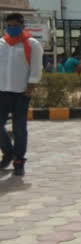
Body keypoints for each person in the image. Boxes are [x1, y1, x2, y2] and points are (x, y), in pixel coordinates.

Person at [0, 13, 43, 176]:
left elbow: (36, 67)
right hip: (2, 91)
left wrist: (31, 85)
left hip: (21, 92)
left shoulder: (31, 44)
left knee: (19, 128)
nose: (12, 28)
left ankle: (19, 159)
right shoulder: (2, 43)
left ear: (22, 26)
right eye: (9, 26)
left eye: (15, 25)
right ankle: (7, 151)